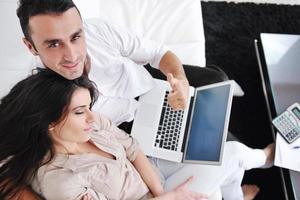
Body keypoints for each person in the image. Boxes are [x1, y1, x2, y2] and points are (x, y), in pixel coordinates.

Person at [0, 69, 274, 200]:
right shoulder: (61, 182)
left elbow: (132, 149)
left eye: (88, 107)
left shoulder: (91, 126)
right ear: (49, 122)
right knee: (233, 155)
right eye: (80, 111)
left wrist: (162, 192)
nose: (92, 118)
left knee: (216, 152)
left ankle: (234, 190)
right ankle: (265, 158)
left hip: (151, 176)